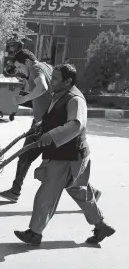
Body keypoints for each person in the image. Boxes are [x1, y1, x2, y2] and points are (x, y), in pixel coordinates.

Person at [14, 64, 115, 246]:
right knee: (80, 192)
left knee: (47, 194)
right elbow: (56, 117)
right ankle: (101, 226)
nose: (51, 81)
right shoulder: (59, 94)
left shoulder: (75, 100)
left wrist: (51, 135)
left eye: (55, 79)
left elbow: (76, 125)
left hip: (68, 156)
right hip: (68, 155)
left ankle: (35, 233)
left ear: (68, 81)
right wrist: (41, 126)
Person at [0, 49, 54, 202]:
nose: (20, 71)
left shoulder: (35, 68)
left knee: (26, 156)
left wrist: (24, 99)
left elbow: (43, 87)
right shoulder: (46, 66)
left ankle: (15, 191)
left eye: (20, 67)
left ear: (28, 62)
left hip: (45, 124)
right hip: (48, 120)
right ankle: (15, 191)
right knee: (60, 163)